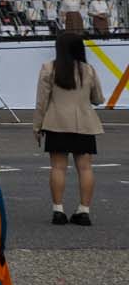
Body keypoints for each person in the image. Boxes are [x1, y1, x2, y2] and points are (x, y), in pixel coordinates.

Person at [36, 30, 103, 226]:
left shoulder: (48, 68)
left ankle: (58, 210)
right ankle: (84, 210)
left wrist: (37, 126)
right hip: (84, 123)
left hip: (56, 122)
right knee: (85, 168)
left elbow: (42, 101)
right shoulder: (88, 70)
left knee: (58, 167)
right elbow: (98, 99)